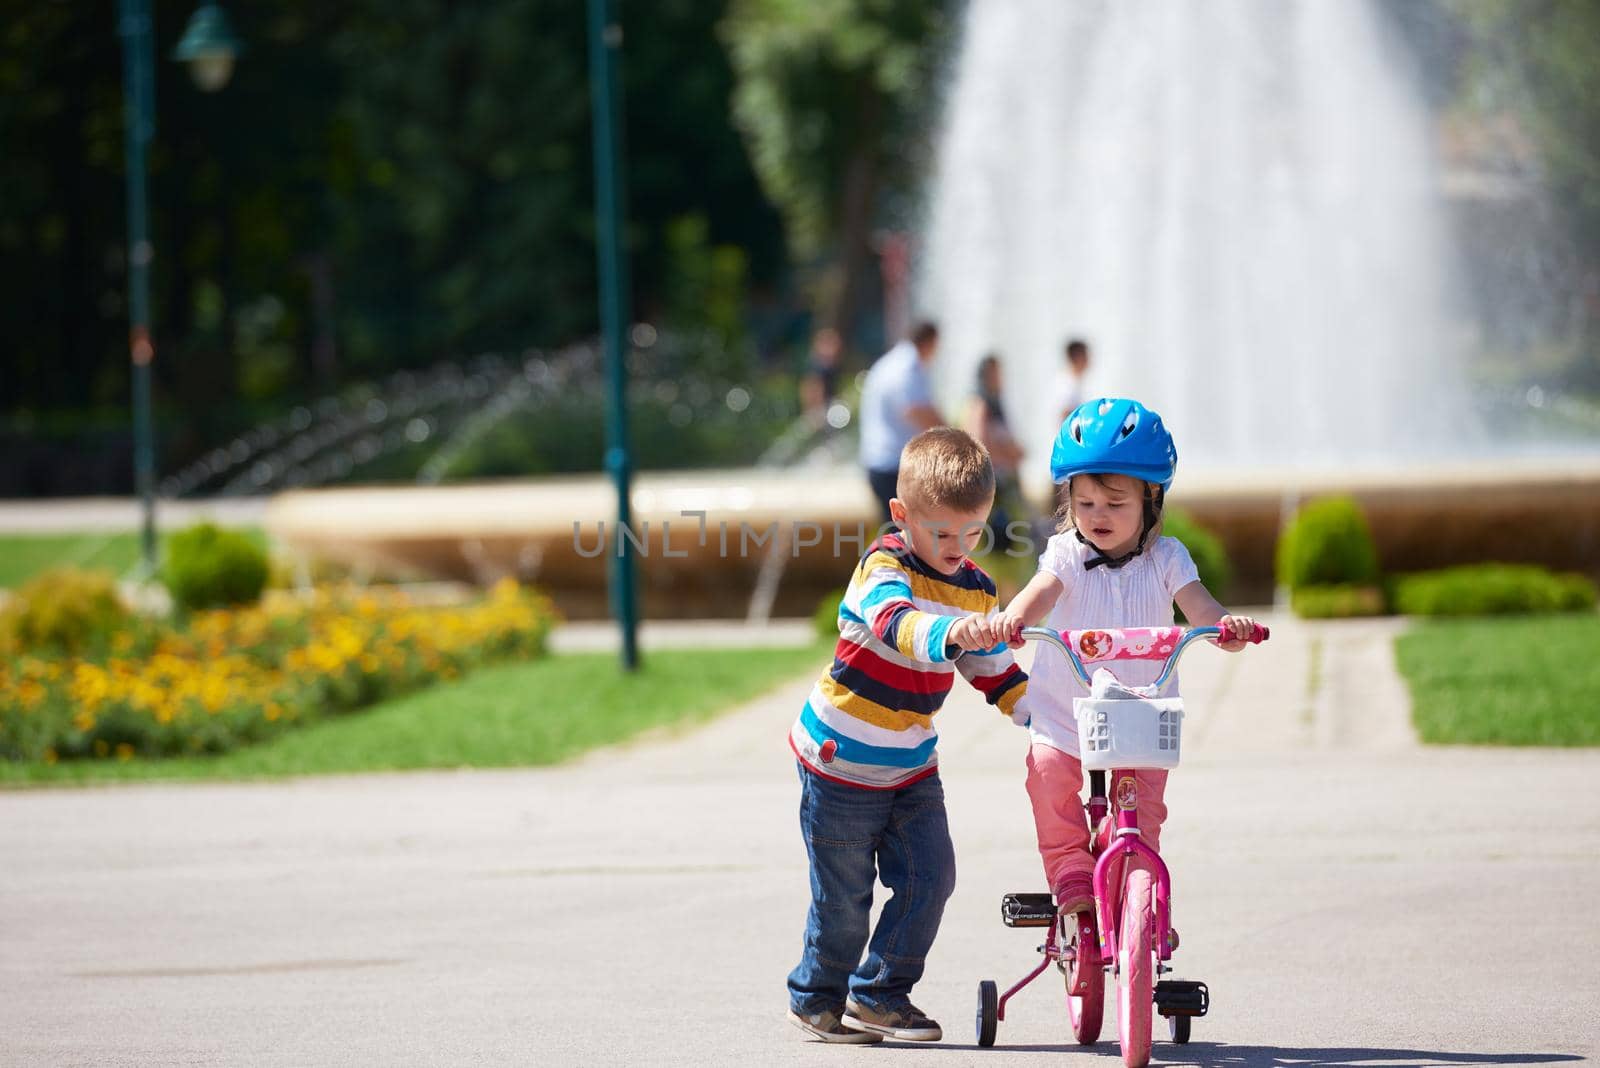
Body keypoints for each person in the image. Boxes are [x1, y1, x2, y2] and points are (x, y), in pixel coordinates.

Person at [787, 427, 1033, 1045]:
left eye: (972, 532)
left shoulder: (976, 587)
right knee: (845, 900)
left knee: (932, 877)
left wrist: (1039, 713)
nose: (957, 547)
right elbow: (898, 624)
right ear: (902, 515)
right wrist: (952, 636)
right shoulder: (883, 565)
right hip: (840, 760)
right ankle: (817, 996)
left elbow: (993, 669)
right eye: (942, 532)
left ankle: (880, 994)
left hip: (911, 763)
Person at [981, 398, 1259, 920]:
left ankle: (1137, 880)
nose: (1098, 516)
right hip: (1067, 711)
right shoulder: (1065, 553)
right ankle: (1070, 872)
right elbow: (1041, 592)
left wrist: (1227, 628)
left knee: (1143, 806)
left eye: (1115, 502)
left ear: (1151, 500)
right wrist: (1012, 618)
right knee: (1046, 772)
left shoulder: (1167, 558)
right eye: (1085, 504)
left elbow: (1200, 606)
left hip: (1141, 714)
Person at [858, 321, 943, 524]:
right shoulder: (908, 366)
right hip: (893, 465)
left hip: (880, 462)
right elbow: (915, 410)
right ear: (929, 342)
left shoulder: (891, 362)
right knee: (906, 534)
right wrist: (952, 437)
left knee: (897, 533)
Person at [962, 354, 1027, 553]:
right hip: (994, 489)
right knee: (1000, 553)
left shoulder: (995, 404)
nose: (1000, 379)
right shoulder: (980, 404)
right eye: (996, 374)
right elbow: (978, 445)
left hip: (1003, 486)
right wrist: (1010, 454)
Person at [799, 326, 843, 424]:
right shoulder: (816, 367)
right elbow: (810, 392)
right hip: (818, 416)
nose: (835, 349)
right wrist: (814, 414)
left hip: (829, 412)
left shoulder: (831, 367)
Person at [1056, 338, 1092, 425]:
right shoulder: (1068, 383)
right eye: (1086, 355)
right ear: (1077, 357)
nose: (1089, 360)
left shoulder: (1074, 381)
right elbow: (1065, 414)